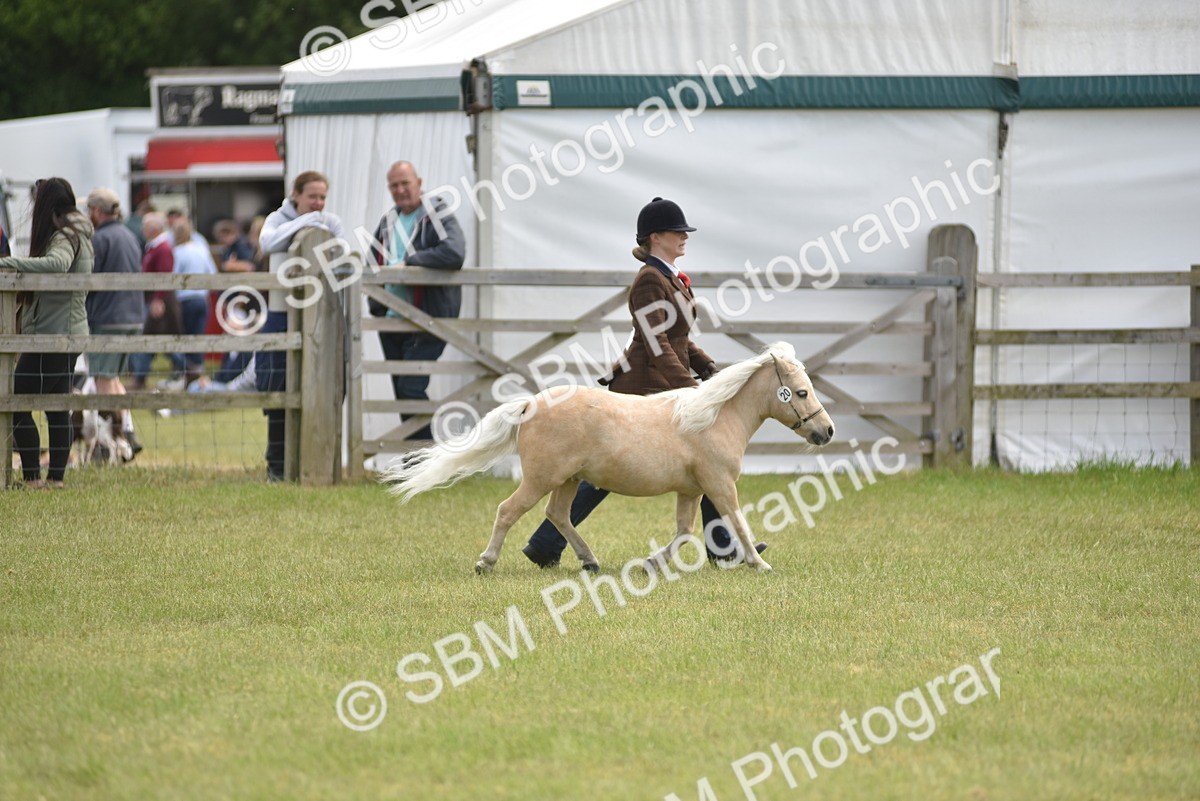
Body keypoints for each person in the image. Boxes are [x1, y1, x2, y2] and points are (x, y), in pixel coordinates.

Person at [521, 197, 766, 566]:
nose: (685, 237)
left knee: (704, 460)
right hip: (643, 385)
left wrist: (709, 368)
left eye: (685, 232)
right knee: (602, 471)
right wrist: (690, 389)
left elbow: (678, 337)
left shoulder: (671, 277)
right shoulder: (650, 280)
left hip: (663, 379)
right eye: (677, 232)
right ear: (655, 237)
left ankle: (722, 548)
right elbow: (656, 343)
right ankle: (545, 542)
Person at [0, 177, 93, 488]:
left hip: (54, 335)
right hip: (69, 332)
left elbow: (57, 263)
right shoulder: (78, 231)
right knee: (57, 407)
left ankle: (31, 478)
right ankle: (55, 479)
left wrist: (8, 263)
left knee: (15, 401)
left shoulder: (65, 236)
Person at [257, 170, 345, 480]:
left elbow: (341, 255)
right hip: (280, 314)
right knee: (277, 388)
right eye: (312, 197)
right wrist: (305, 223)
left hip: (321, 316)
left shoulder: (330, 222)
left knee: (323, 389)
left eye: (322, 197)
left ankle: (317, 466)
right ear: (296, 195)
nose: (319, 203)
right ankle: (277, 467)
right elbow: (267, 244)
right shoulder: (277, 220)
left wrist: (315, 222)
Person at [370, 160, 466, 439]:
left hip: (428, 318)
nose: (400, 190)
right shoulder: (388, 220)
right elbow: (371, 259)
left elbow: (454, 253)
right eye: (394, 185)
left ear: (419, 183)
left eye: (405, 183)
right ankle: (414, 461)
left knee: (411, 387)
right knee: (402, 391)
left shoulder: (437, 213)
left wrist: (410, 264)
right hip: (391, 319)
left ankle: (429, 457)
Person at [84, 187, 145, 458]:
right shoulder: (130, 235)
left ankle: (114, 439)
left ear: (97, 211)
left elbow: (88, 281)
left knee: (103, 379)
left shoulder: (99, 239)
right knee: (115, 378)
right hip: (132, 315)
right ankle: (128, 431)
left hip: (108, 317)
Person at [128, 212, 181, 390]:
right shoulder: (154, 247)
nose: (142, 229)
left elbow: (164, 276)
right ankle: (141, 377)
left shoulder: (163, 248)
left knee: (157, 339)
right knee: (157, 340)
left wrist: (158, 300)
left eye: (146, 226)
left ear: (155, 228)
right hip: (156, 299)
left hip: (160, 301)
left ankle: (186, 370)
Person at [169, 219, 217, 386]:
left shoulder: (177, 252)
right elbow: (212, 272)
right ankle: (198, 376)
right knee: (198, 337)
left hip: (184, 299)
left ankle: (187, 375)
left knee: (185, 338)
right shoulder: (201, 249)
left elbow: (173, 276)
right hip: (201, 299)